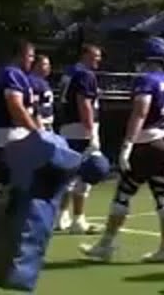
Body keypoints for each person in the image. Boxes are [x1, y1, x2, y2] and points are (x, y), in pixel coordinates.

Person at [81, 36, 164, 264]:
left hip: (146, 142)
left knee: (123, 194)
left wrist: (128, 144)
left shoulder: (146, 80)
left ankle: (106, 245)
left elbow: (140, 113)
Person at [0, 41, 41, 244]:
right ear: (20, 55)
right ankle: (0, 232)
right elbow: (15, 106)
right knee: (8, 188)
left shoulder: (16, 76)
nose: (32, 60)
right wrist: (36, 132)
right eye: (30, 56)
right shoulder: (11, 74)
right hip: (8, 138)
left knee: (2, 188)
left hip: (7, 137)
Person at [56, 44, 103, 234]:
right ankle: (78, 219)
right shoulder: (85, 74)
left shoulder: (69, 72)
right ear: (84, 55)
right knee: (87, 174)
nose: (98, 59)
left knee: (68, 176)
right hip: (81, 129)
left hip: (67, 127)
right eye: (95, 56)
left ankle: (61, 216)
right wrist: (91, 131)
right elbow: (84, 103)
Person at [29, 54, 55, 133]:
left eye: (49, 64)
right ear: (36, 65)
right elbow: (34, 106)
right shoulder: (32, 81)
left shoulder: (43, 82)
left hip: (47, 123)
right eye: (45, 64)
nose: (48, 67)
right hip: (40, 123)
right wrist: (40, 128)